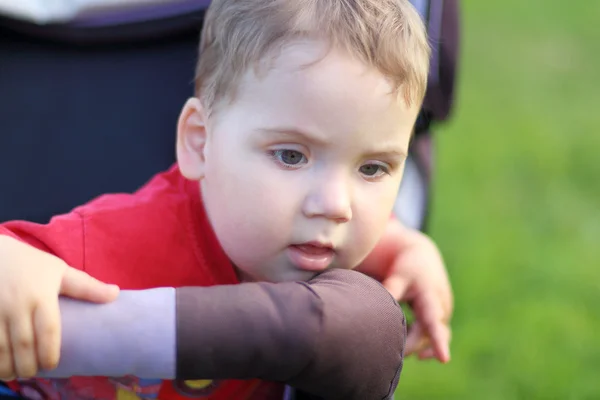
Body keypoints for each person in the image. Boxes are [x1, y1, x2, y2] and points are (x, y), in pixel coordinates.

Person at [0, 0, 453, 398]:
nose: (336, 206)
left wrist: (405, 248)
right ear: (200, 143)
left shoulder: (316, 235)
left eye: (372, 168)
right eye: (291, 156)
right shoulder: (118, 241)